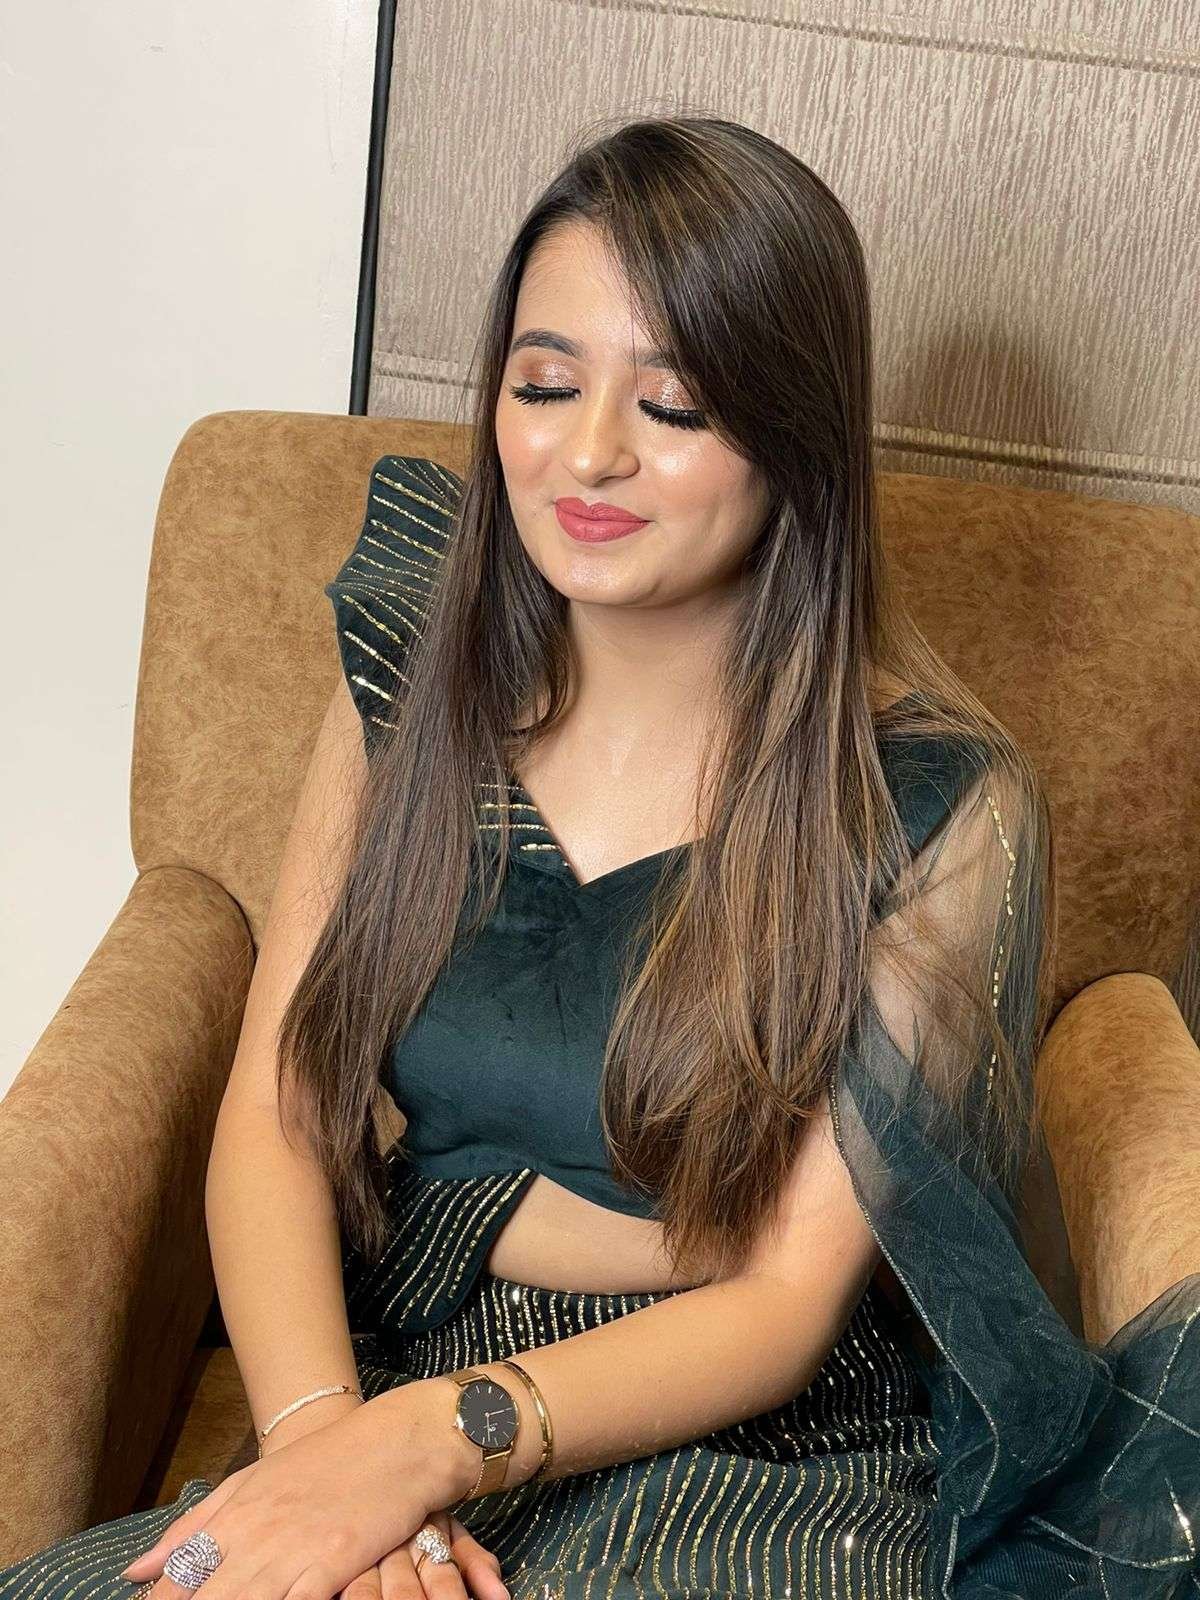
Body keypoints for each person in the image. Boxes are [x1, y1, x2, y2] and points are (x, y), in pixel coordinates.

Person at [4, 114, 1199, 1600]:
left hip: (751, 1433)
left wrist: (439, 1444)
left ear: (796, 438)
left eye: (674, 405)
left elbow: (786, 1296)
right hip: (386, 1362)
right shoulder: (411, 681)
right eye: (546, 383)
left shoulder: (937, 800)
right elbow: (279, 1108)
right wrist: (329, 1454)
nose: (588, 454)